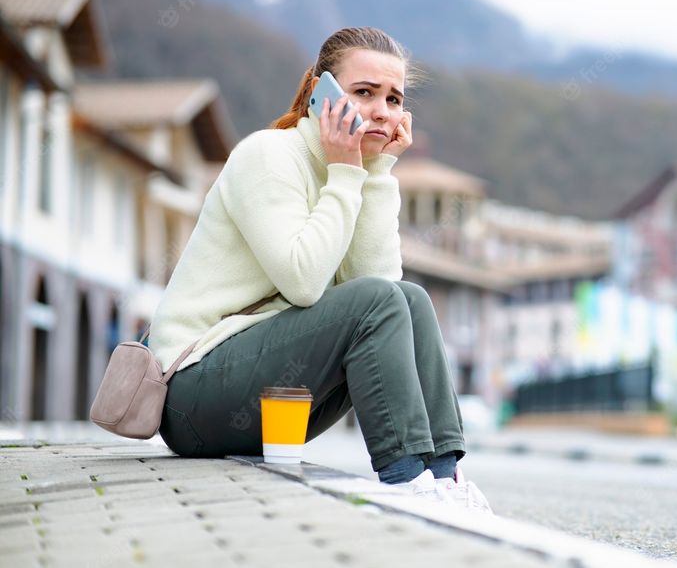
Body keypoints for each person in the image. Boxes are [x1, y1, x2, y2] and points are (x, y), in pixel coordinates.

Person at [148, 26, 491, 513]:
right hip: (191, 396)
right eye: (364, 92)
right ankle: (405, 481)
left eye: (394, 99)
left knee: (410, 299)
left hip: (274, 402)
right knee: (383, 300)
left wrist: (376, 170)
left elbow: (378, 285)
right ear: (319, 93)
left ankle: (443, 478)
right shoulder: (268, 155)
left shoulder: (354, 171)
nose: (382, 111)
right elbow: (304, 283)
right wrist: (347, 171)